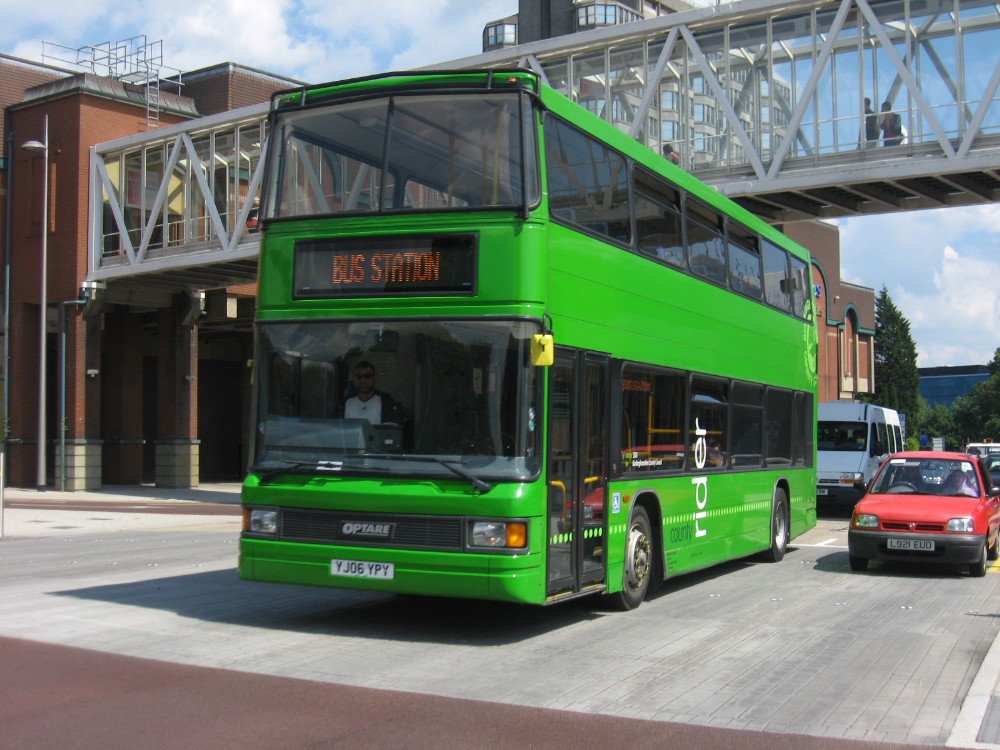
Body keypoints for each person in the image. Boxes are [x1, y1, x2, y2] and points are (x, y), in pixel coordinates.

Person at [337, 361, 403, 425]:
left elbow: (390, 430)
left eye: (367, 376)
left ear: (374, 378)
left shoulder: (386, 401)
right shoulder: (344, 403)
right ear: (354, 379)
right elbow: (336, 428)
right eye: (359, 377)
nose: (363, 380)